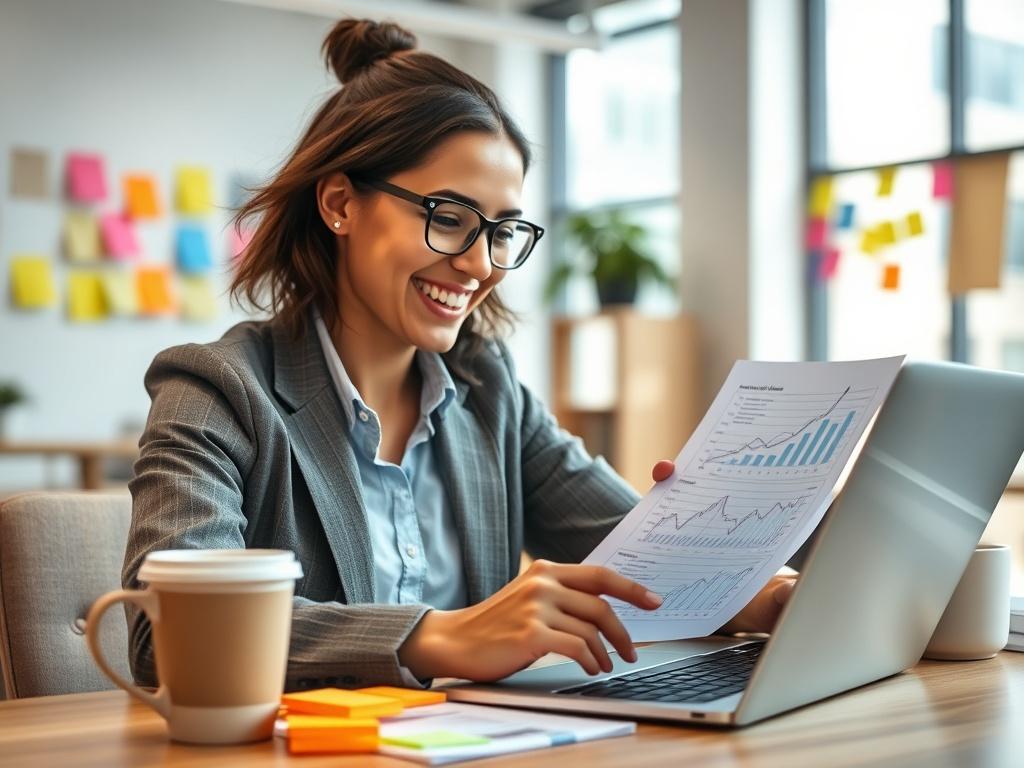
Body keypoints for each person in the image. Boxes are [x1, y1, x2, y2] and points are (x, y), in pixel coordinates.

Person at [122, 18, 795, 691]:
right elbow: (169, 634)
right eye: (448, 217)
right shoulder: (215, 391)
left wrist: (766, 596)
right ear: (339, 204)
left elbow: (639, 564)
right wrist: (440, 636)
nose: (478, 263)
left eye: (502, 231)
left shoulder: (488, 391)